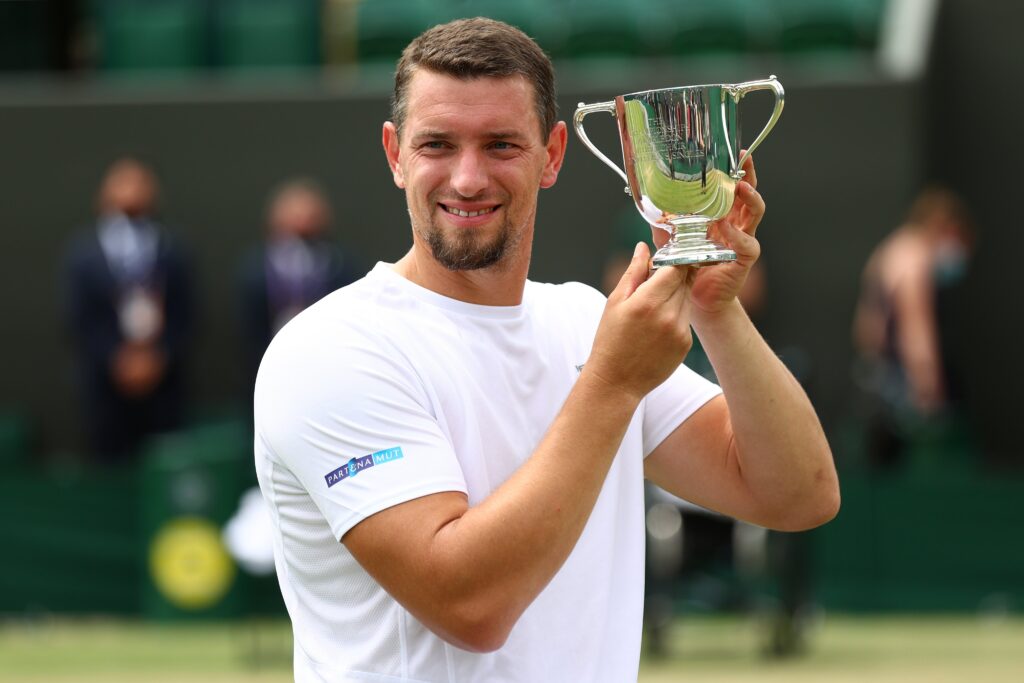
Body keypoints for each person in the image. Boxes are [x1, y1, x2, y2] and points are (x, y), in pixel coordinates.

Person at [254, 18, 839, 683]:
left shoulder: (584, 322)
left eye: (500, 144)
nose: (467, 178)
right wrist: (613, 384)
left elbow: (799, 493)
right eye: (437, 144)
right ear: (395, 153)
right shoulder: (329, 348)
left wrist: (716, 308)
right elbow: (469, 604)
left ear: (553, 154)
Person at [64, 158, 194, 462]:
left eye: (140, 183)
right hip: (105, 386)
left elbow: (187, 313)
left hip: (164, 387)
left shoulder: (173, 249)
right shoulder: (82, 253)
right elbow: (77, 318)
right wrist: (116, 359)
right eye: (123, 183)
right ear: (103, 194)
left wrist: (157, 356)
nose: (132, 192)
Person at [852, 186, 974, 469]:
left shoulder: (888, 251)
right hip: (904, 393)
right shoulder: (915, 258)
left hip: (880, 383)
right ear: (945, 227)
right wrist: (928, 390)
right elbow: (916, 330)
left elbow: (867, 329)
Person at [238, 178, 362, 389]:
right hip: (268, 370)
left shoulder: (341, 265)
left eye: (310, 216)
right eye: (295, 215)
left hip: (330, 370)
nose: (303, 223)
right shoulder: (255, 269)